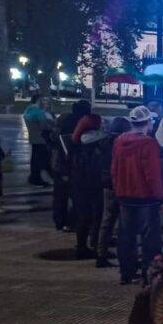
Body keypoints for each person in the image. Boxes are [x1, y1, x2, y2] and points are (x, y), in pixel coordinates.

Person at [111, 106, 163, 285]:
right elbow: (153, 174)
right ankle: (148, 273)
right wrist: (161, 198)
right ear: (148, 122)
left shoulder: (120, 140)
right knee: (150, 239)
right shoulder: (148, 143)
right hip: (145, 198)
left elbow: (114, 169)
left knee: (126, 236)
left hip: (125, 196)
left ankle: (126, 273)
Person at [70, 114, 107, 259]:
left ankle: (84, 246)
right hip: (90, 186)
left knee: (84, 218)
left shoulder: (78, 142)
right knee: (92, 217)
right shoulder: (93, 143)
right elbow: (94, 166)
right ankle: (86, 247)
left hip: (80, 185)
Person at [51, 99, 91, 231]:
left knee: (60, 195)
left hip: (59, 163)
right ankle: (72, 222)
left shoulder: (63, 120)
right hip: (71, 165)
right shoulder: (80, 124)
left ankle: (60, 221)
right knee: (76, 196)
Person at [96, 117, 130, 268]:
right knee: (124, 223)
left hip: (107, 185)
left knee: (107, 220)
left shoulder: (104, 142)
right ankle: (125, 258)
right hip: (121, 186)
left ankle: (101, 253)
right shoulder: (123, 144)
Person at [23, 95, 54, 186]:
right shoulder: (38, 112)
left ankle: (34, 177)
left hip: (33, 138)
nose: (42, 101)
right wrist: (52, 126)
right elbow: (43, 126)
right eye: (41, 100)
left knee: (35, 159)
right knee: (43, 159)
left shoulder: (28, 110)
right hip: (41, 138)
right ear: (38, 100)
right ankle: (37, 178)